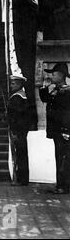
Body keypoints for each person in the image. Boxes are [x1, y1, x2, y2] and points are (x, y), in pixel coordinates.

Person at [39, 62, 70, 194]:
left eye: (54, 73)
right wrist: (44, 87)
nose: (51, 76)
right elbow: (45, 99)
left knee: (64, 158)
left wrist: (66, 130)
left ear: (61, 75)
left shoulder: (67, 91)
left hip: (63, 130)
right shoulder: (56, 89)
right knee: (60, 157)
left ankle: (64, 186)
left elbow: (67, 113)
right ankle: (61, 184)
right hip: (56, 130)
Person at [7, 75, 30, 186]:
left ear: (20, 84)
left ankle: (21, 179)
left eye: (13, 83)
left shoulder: (17, 98)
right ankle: (22, 178)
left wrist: (15, 131)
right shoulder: (22, 96)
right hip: (22, 130)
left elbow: (16, 117)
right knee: (22, 154)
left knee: (20, 155)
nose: (11, 86)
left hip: (18, 130)